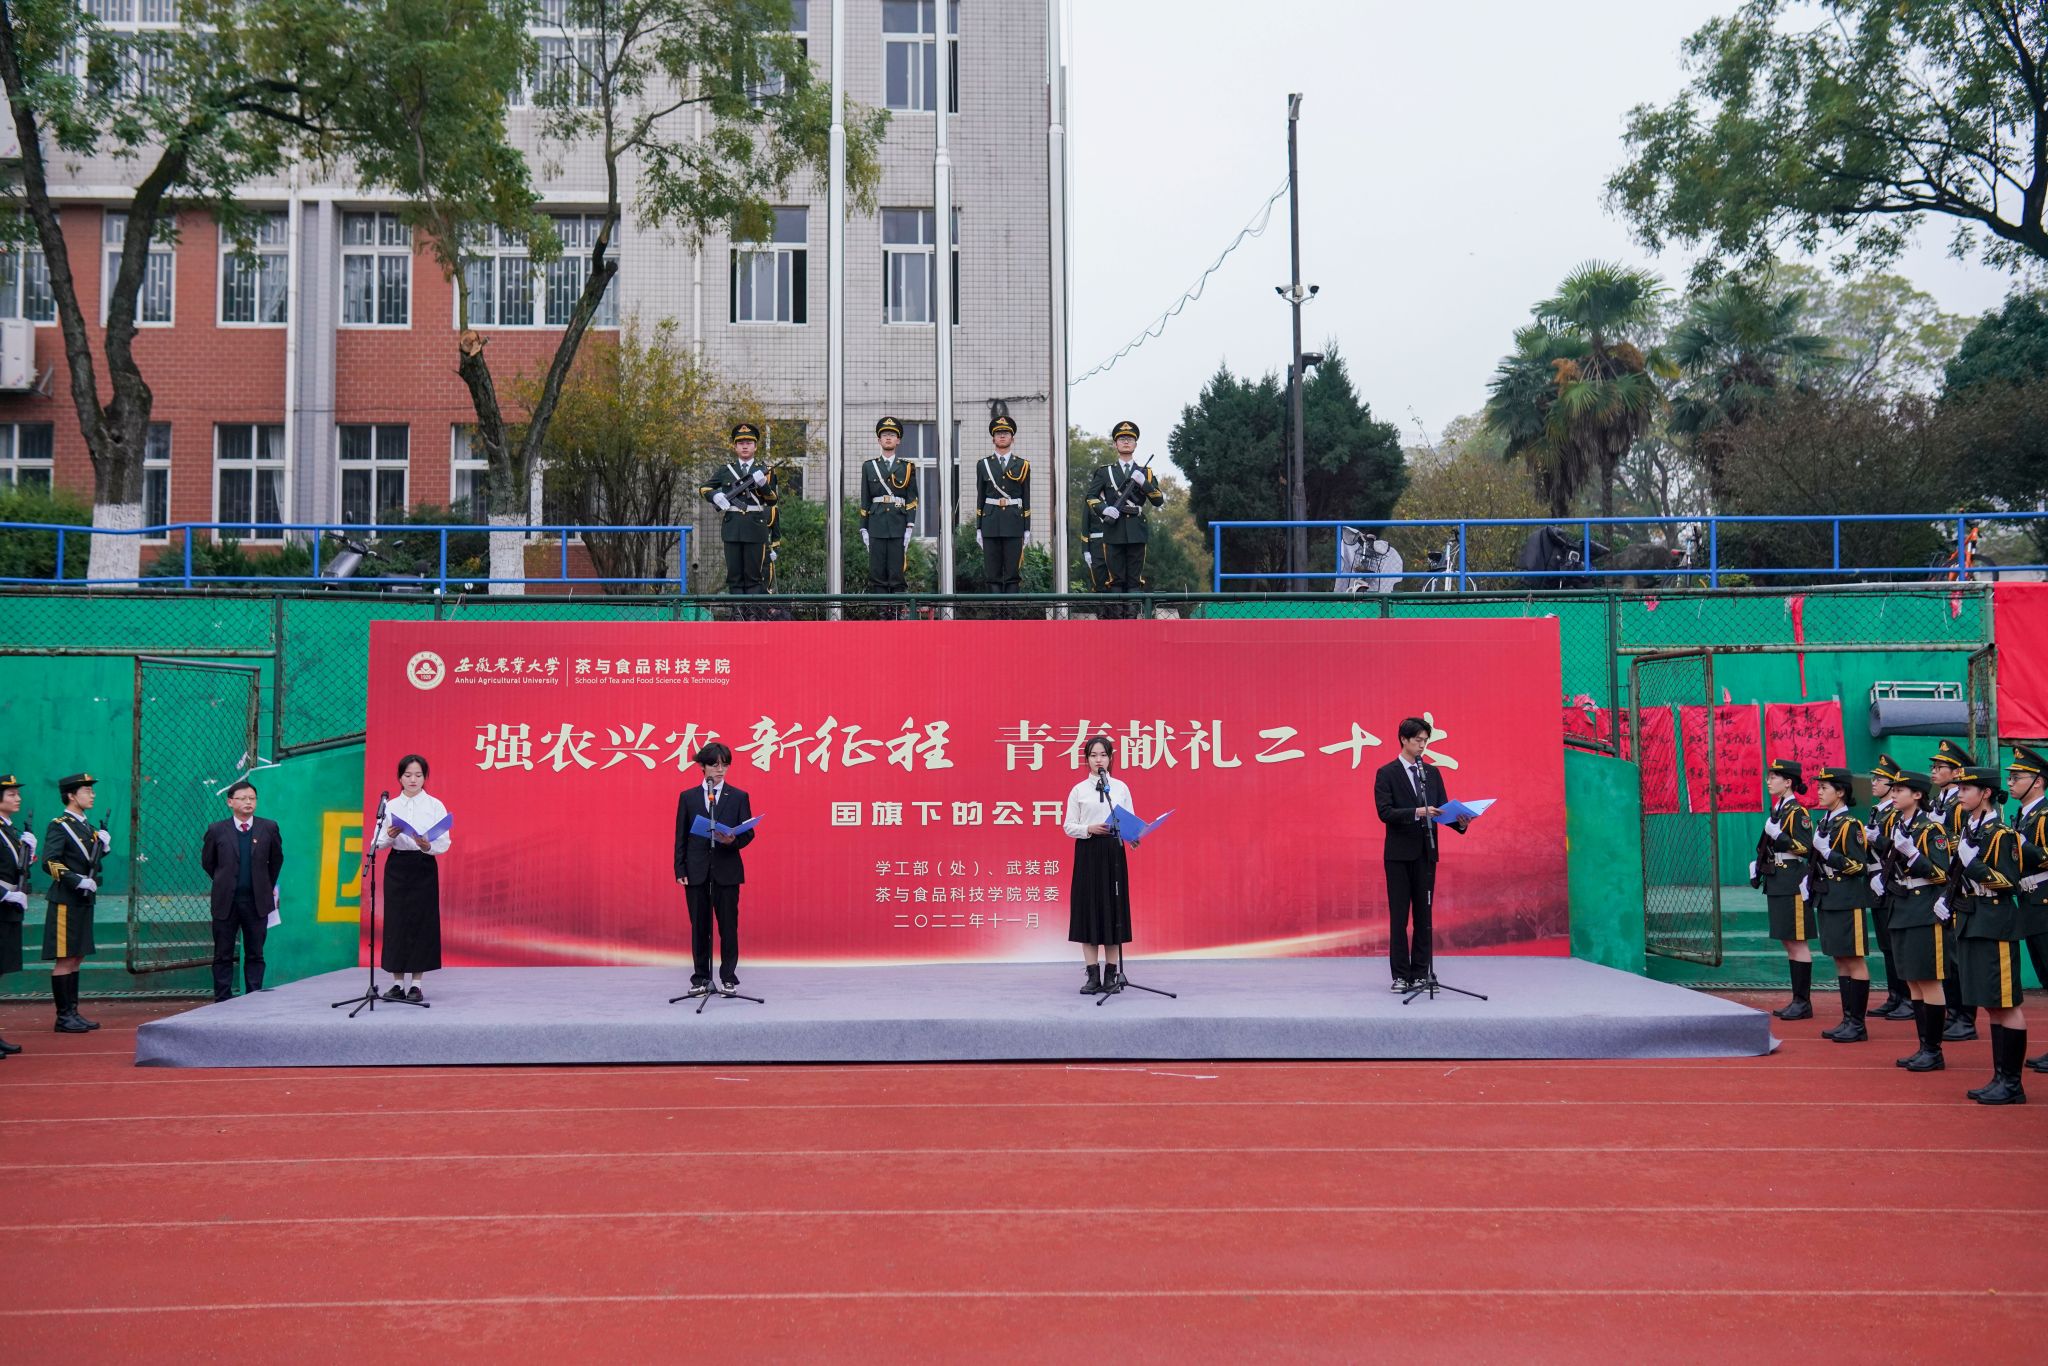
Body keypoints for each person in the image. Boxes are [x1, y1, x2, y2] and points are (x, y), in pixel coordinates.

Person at [1949, 765, 2027, 1104]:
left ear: (1985, 793)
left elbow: (2010, 883)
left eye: (1967, 789)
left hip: (1995, 923)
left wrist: (1974, 866)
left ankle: (2012, 1084)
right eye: (1959, 789)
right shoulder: (1970, 830)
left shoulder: (2001, 834)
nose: (1960, 794)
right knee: (1991, 1004)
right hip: (1972, 919)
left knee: (2005, 1003)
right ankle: (1999, 1076)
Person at [1373, 717, 1469, 992]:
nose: (1422, 745)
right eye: (1417, 740)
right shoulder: (1387, 773)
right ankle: (1400, 975)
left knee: (1424, 918)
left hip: (1426, 853)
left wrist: (1461, 822)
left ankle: (1420, 974)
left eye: (1425, 740)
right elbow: (1385, 812)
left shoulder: (1432, 773)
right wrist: (1417, 812)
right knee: (1400, 917)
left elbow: (1442, 810)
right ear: (1404, 739)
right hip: (1398, 855)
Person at [1883, 772, 1953, 1073]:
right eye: (1893, 789)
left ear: (1917, 795)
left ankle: (1934, 1050)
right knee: (1912, 979)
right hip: (1901, 906)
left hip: (1924, 908)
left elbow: (1942, 874)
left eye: (1900, 790)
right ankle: (1924, 1046)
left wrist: (1912, 855)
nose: (1894, 794)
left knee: (1928, 979)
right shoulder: (1900, 826)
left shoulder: (1930, 829)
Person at [673, 742, 755, 996]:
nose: (720, 770)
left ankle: (728, 977)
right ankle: (700, 978)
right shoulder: (688, 797)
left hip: (727, 870)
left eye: (725, 765)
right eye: (715, 764)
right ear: (702, 766)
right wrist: (680, 869)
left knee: (728, 926)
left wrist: (733, 841)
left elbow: (748, 832)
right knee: (699, 927)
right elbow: (680, 836)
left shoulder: (739, 796)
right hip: (696, 871)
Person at [199, 779, 283, 1002]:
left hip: (257, 902)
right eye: (243, 798)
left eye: (252, 798)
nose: (248, 802)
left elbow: (276, 860)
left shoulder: (269, 827)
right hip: (226, 902)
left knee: (255, 953)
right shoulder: (216, 830)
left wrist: (264, 885)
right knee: (223, 953)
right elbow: (208, 862)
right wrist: (224, 881)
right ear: (230, 802)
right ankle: (222, 999)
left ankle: (253, 998)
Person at [374, 754, 450, 1002]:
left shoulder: (435, 805)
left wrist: (427, 845)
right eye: (408, 775)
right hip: (397, 865)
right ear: (400, 777)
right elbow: (377, 843)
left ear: (425, 777)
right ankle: (397, 983)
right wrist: (389, 834)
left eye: (418, 775)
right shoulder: (390, 806)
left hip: (423, 864)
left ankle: (416, 984)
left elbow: (444, 842)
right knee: (396, 922)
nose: (413, 780)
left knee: (421, 922)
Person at [1064, 734, 1136, 995]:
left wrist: (1133, 836)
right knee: (1089, 911)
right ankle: (1092, 975)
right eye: (1093, 755)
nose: (1098, 760)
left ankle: (1111, 975)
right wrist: (1089, 829)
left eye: (1103, 755)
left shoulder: (1120, 788)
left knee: (1113, 914)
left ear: (1110, 758)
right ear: (1086, 759)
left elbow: (1129, 820)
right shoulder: (1078, 790)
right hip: (1089, 852)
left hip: (1113, 853)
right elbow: (1068, 826)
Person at [1809, 766, 1874, 1042]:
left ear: (1840, 792)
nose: (1819, 792)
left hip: (1847, 898)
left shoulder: (1850, 825)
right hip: (1828, 897)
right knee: (1839, 958)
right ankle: (1847, 1018)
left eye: (1824, 788)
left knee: (1853, 958)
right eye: (1819, 787)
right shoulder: (1824, 823)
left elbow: (1859, 866)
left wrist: (1829, 854)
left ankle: (1858, 1024)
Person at [42, 773, 105, 1032]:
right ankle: (63, 1017)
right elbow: (49, 861)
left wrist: (104, 848)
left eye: (92, 791)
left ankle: (73, 1012)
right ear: (71, 795)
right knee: (65, 958)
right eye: (86, 791)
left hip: (84, 899)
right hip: (66, 899)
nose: (92, 795)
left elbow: (87, 860)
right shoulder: (60, 825)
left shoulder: (87, 826)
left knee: (77, 956)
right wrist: (76, 880)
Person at [1754, 758, 1816, 1021]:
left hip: (1792, 880)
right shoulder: (1778, 810)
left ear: (1788, 782)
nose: (1768, 781)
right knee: (1787, 940)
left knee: (1797, 940)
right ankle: (1797, 999)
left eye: (1774, 777)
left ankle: (1803, 1002)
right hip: (1777, 879)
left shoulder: (1797, 812)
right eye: (1768, 776)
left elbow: (1805, 848)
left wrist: (1779, 836)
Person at [1084, 420, 1163, 609]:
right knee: (1116, 579)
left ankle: (1132, 617)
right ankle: (1117, 619)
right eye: (1122, 439)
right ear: (1115, 444)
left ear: (1135, 444)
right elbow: (1091, 497)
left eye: (1130, 439)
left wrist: (1144, 483)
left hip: (1136, 528)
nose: (1126, 442)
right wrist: (1104, 509)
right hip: (1114, 529)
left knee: (1134, 580)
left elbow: (1158, 500)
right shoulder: (1105, 472)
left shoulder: (1146, 473)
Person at [1928, 739, 1977, 1041]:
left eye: (1940, 767)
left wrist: (1941, 831)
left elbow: (1964, 842)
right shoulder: (1939, 802)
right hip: (1943, 881)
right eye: (1933, 767)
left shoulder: (1959, 805)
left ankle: (1966, 1017)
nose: (1933, 771)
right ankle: (1953, 1012)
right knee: (1947, 954)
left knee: (1958, 955)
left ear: (1957, 772)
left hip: (1958, 881)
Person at [701, 422, 779, 597]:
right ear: (735, 447)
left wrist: (763, 485)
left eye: (749, 443)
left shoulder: (765, 470)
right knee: (734, 576)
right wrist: (715, 495)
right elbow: (704, 488)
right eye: (741, 443)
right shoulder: (726, 470)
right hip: (733, 527)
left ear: (755, 446)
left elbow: (772, 500)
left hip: (755, 526)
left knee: (754, 576)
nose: (745, 446)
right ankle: (737, 611)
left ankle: (752, 611)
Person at [1865, 755, 1916, 1021]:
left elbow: (1898, 849)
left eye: (1880, 779)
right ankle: (1895, 995)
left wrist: (1877, 839)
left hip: (1891, 879)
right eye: (1874, 778)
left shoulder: (1896, 814)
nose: (1874, 782)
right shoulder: (1878, 811)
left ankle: (1908, 997)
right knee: (1886, 944)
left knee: (1897, 944)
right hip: (1876, 880)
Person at [2007, 745, 2048, 1074]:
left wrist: (2021, 844)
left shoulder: (2044, 816)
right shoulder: (2023, 815)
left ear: (2038, 781)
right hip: (2030, 903)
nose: (2010, 782)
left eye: (2017, 777)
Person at [859, 417, 918, 600]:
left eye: (892, 435)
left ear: (898, 440)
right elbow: (865, 498)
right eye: (884, 435)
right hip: (876, 524)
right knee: (877, 574)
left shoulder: (907, 467)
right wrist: (863, 527)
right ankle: (882, 612)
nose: (888, 438)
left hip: (897, 523)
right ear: (879, 440)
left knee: (896, 573)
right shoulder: (869, 466)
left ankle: (897, 611)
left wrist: (909, 525)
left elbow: (912, 498)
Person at [975, 414, 1030, 597]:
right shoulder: (983, 465)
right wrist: (979, 527)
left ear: (1012, 438)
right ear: (993, 438)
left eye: (1006, 433)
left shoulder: (1022, 465)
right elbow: (980, 497)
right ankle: (996, 611)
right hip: (990, 522)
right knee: (993, 574)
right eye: (998, 433)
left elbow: (1026, 497)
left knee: (1012, 574)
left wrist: (1027, 528)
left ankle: (1011, 612)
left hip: (1014, 522)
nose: (1002, 436)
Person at [0, 772, 33, 1056]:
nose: (18, 798)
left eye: (18, 793)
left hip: (8, 909)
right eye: (11, 794)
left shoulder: (10, 830)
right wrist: (5, 893)